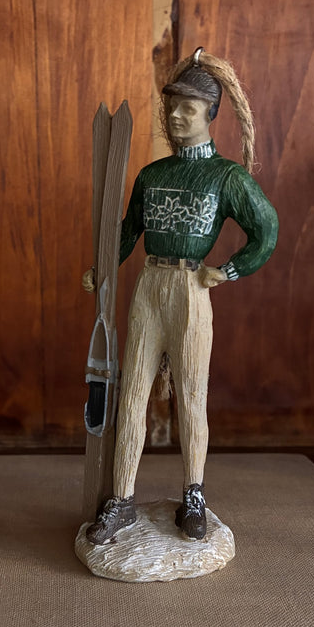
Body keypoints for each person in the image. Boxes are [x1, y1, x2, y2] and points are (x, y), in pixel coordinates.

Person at [85, 48, 278, 545]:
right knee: (132, 394)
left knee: (192, 398)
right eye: (172, 106)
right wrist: (103, 268)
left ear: (211, 113)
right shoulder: (154, 175)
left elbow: (266, 230)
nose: (176, 116)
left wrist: (228, 271)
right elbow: (129, 230)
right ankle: (121, 499)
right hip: (150, 287)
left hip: (192, 290)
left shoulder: (226, 177)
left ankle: (194, 494)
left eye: (188, 108)